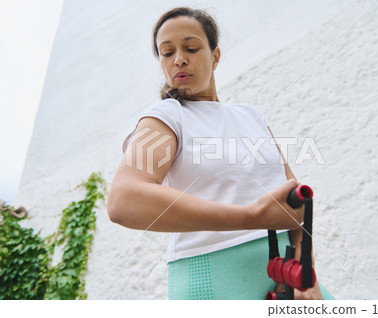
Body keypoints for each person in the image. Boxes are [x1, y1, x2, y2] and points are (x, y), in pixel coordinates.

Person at [107, 6, 333, 300]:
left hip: (286, 274)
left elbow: (294, 201)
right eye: (167, 52)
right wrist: (250, 216)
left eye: (191, 47)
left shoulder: (252, 116)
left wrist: (305, 268)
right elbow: (124, 200)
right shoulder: (165, 116)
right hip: (212, 278)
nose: (179, 59)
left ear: (215, 57)